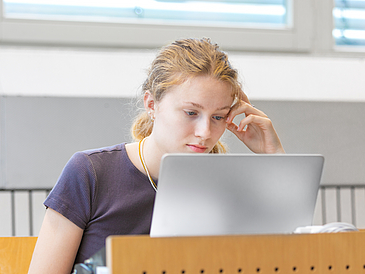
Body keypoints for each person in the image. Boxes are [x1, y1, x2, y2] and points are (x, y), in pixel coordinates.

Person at [28, 37, 285, 274]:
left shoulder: (226, 186)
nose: (205, 132)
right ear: (152, 104)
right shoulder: (90, 172)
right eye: (191, 113)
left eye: (218, 117)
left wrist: (275, 158)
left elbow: (283, 260)